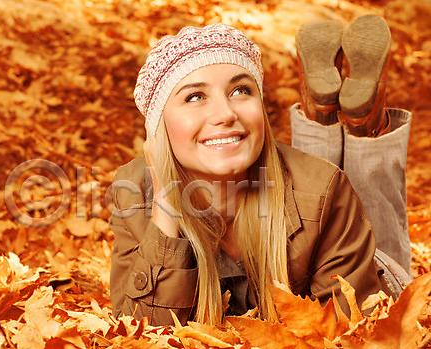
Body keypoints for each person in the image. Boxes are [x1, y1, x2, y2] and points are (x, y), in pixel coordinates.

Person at [109, 16, 413, 327]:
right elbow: (142, 339)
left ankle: (363, 126)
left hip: (371, 275)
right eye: (195, 97)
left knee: (363, 217)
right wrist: (166, 206)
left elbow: (350, 336)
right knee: (317, 186)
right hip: (323, 217)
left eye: (241, 90)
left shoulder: (323, 187)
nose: (226, 114)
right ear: (159, 129)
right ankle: (339, 117)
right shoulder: (133, 194)